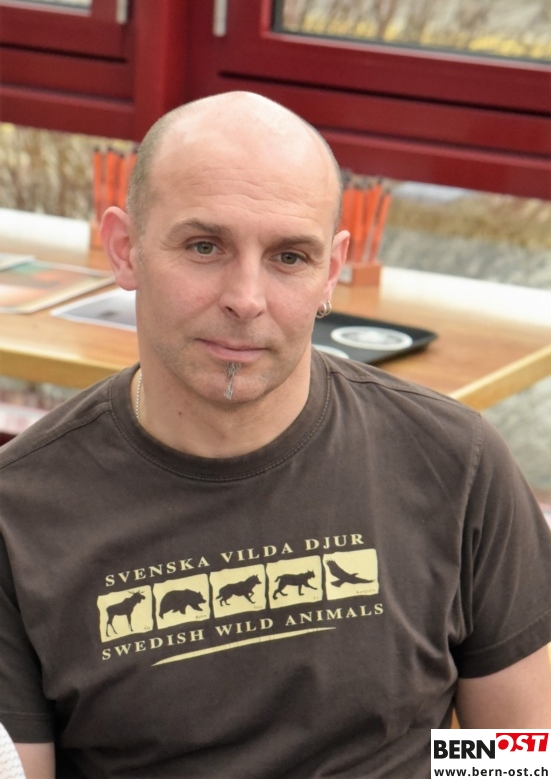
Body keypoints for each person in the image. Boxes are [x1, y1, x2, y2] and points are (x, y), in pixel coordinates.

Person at [1, 91, 551, 779]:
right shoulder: (18, 516)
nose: (246, 298)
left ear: (331, 272)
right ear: (125, 250)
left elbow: (518, 753)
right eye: (204, 247)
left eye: (289, 257)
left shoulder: (454, 463)